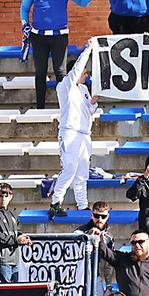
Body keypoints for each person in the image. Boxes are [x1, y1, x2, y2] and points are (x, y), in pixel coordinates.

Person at [21, 0, 93, 109]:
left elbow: (82, 2)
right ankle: (40, 107)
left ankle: (65, 107)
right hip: (38, 35)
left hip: (60, 35)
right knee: (40, 72)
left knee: (60, 71)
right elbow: (24, 8)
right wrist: (25, 25)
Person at [49, 65, 101, 218]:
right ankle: (55, 201)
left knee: (82, 171)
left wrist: (92, 103)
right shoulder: (65, 85)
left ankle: (82, 204)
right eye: (84, 72)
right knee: (70, 167)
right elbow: (77, 67)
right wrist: (88, 49)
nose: (86, 75)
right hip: (70, 132)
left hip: (84, 133)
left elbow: (88, 111)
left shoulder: (84, 89)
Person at [0, 182, 30, 283]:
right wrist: (16, 240)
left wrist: (24, 238)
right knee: (5, 292)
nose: (3, 199)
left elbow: (17, 231)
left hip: (14, 259)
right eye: (1, 195)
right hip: (1, 259)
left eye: (6, 196)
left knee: (13, 292)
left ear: (11, 197)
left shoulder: (12, 214)